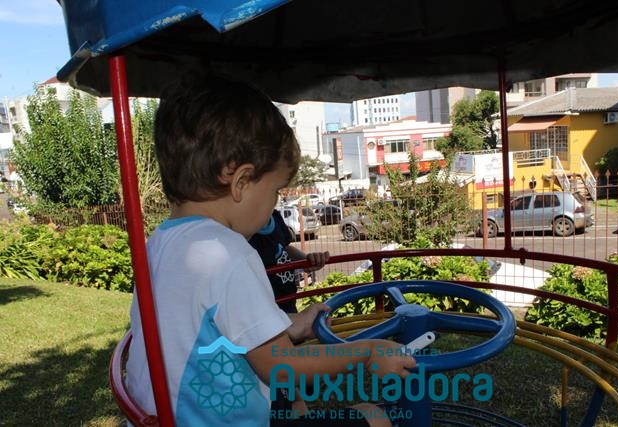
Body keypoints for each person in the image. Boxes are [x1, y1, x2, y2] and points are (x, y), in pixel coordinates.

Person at [126, 76, 416, 427]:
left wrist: (290, 325)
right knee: (373, 416)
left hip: (165, 418)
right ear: (241, 182)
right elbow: (282, 369)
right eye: (276, 190)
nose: (275, 204)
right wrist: (367, 353)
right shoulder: (228, 254)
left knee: (302, 409)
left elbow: (213, 331)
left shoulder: (160, 243)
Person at [250, 209, 330, 313]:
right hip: (266, 309)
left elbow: (285, 247)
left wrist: (306, 259)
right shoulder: (243, 231)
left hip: (289, 301)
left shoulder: (275, 216)